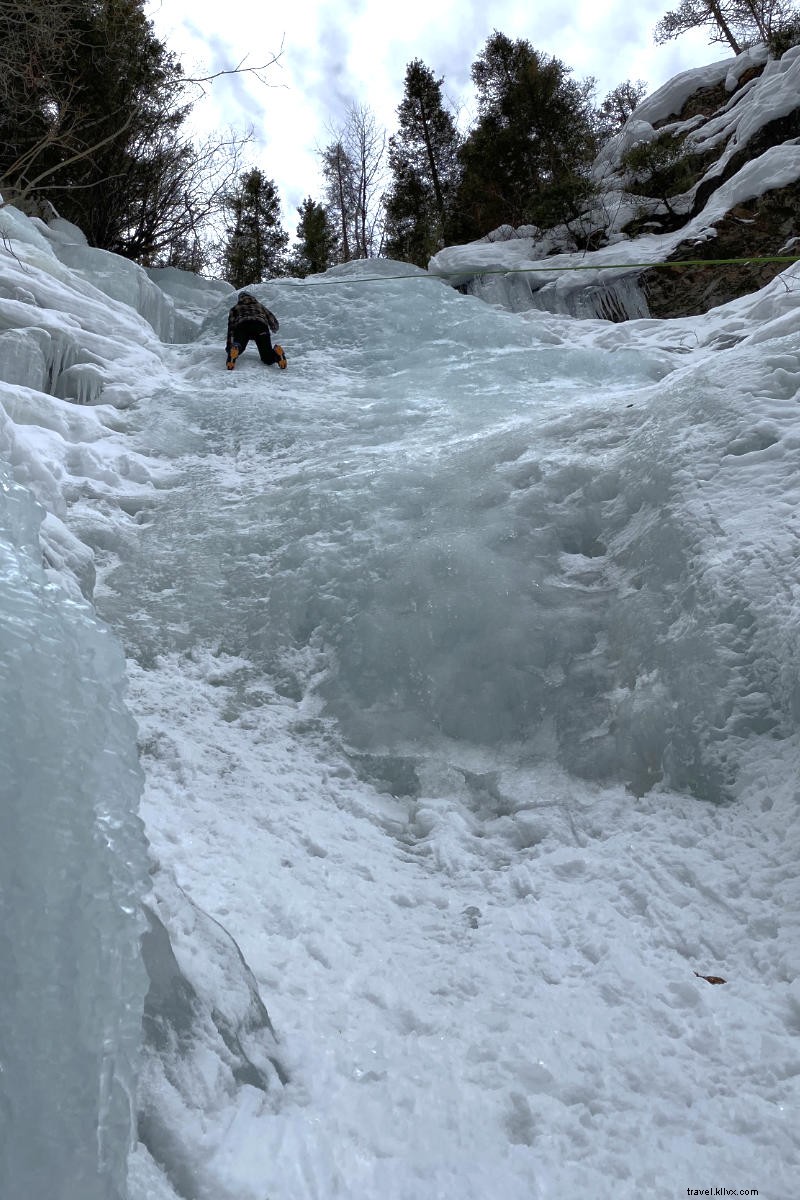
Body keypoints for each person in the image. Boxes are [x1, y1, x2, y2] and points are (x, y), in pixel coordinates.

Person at [226, 291, 287, 371]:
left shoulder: (235, 308)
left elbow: (231, 326)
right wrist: (274, 327)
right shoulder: (259, 306)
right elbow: (270, 316)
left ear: (240, 299)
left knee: (239, 345)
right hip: (260, 326)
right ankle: (278, 354)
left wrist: (229, 345)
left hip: (243, 326)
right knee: (267, 357)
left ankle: (235, 348)